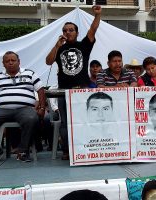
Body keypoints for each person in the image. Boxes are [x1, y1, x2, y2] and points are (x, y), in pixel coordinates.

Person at [45, 5, 102, 160]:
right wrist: (57, 46)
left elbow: (93, 30)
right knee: (65, 123)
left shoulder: (83, 45)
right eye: (65, 30)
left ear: (77, 33)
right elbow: (48, 61)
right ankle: (66, 150)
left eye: (71, 30)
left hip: (81, 90)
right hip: (64, 91)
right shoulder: (59, 48)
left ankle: (84, 149)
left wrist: (97, 15)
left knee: (83, 121)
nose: (67, 32)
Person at [0, 51, 46, 162]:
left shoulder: (30, 73)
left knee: (31, 118)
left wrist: (42, 108)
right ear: (3, 63)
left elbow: (41, 90)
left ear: (19, 62)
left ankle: (23, 151)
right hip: (2, 110)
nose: (10, 63)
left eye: (13, 60)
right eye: (7, 61)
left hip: (25, 109)